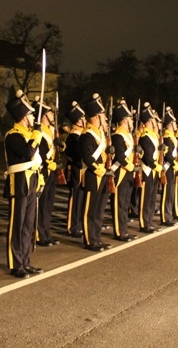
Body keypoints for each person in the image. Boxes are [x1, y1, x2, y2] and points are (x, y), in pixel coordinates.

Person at [3, 90, 44, 278]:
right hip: (18, 185)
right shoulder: (13, 136)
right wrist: (36, 136)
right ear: (23, 118)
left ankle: (26, 261)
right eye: (30, 115)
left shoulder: (28, 134)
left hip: (32, 182)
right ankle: (15, 264)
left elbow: (36, 159)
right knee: (17, 225)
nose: (33, 118)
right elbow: (28, 153)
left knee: (28, 225)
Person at [79, 93, 114, 251]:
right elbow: (87, 157)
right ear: (96, 117)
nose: (105, 120)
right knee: (90, 209)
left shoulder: (101, 135)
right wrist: (101, 170)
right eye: (102, 117)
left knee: (99, 209)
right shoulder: (87, 135)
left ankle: (97, 237)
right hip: (93, 175)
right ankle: (89, 240)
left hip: (103, 175)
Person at [32, 96, 60, 247]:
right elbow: (40, 153)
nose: (53, 115)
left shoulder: (51, 131)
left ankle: (46, 233)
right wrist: (51, 164)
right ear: (43, 116)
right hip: (43, 171)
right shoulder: (38, 131)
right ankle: (38, 234)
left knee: (49, 204)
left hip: (52, 172)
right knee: (41, 205)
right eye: (50, 113)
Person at [110, 99, 139, 241]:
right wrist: (131, 167)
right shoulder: (117, 136)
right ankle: (119, 231)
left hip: (128, 172)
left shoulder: (128, 136)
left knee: (125, 203)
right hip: (120, 172)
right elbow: (120, 156)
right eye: (130, 120)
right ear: (124, 121)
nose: (132, 122)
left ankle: (124, 230)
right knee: (119, 203)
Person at [137, 102, 164, 233]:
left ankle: (150, 221)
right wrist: (157, 166)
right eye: (153, 119)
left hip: (154, 171)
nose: (155, 122)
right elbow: (147, 156)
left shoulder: (154, 136)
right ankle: (144, 223)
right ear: (148, 122)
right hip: (148, 170)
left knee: (152, 199)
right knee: (146, 199)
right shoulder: (145, 136)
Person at [64, 102, 85, 238]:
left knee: (81, 198)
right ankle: (72, 226)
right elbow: (75, 154)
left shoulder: (80, 136)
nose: (85, 120)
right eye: (82, 118)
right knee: (75, 199)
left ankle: (80, 223)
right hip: (76, 169)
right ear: (77, 122)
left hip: (82, 169)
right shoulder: (73, 136)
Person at [160, 106, 178, 225]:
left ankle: (169, 216)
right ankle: (165, 217)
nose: (176, 125)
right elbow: (168, 156)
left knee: (170, 193)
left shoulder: (172, 137)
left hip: (172, 167)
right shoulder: (167, 138)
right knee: (167, 194)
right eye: (174, 123)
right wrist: (175, 164)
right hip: (168, 168)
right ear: (170, 125)